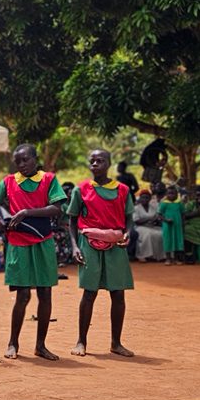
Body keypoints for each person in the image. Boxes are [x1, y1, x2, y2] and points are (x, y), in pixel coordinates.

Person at [0, 144, 67, 361]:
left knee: (45, 293)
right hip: (18, 242)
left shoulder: (49, 179)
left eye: (25, 160)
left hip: (43, 241)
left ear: (35, 159)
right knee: (22, 295)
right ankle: (13, 342)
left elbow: (57, 208)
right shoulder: (10, 181)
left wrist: (26, 212)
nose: (21, 165)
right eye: (18, 161)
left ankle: (41, 345)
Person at [66, 149, 135, 357]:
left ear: (109, 163)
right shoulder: (81, 189)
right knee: (89, 293)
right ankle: (81, 341)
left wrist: (128, 234)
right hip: (89, 244)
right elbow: (72, 221)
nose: (95, 164)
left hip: (116, 245)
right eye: (92, 161)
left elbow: (129, 218)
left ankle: (116, 343)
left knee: (118, 293)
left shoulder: (122, 190)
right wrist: (75, 246)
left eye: (100, 160)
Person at [133, 190, 166, 261]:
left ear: (150, 199)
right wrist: (149, 218)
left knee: (161, 234)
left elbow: (157, 218)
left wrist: (156, 220)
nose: (145, 199)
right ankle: (145, 255)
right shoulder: (136, 208)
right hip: (140, 227)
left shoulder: (153, 207)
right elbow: (137, 221)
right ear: (140, 198)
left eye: (147, 198)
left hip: (152, 226)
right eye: (143, 197)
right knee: (148, 234)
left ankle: (159, 256)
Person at [158, 185, 185, 265]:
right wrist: (166, 220)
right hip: (167, 226)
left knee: (177, 241)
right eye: (169, 193)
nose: (171, 195)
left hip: (177, 226)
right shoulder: (164, 204)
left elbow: (183, 214)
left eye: (173, 193)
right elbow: (159, 215)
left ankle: (176, 259)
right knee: (168, 240)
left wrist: (183, 224)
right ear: (166, 194)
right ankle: (168, 259)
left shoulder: (179, 203)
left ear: (177, 194)